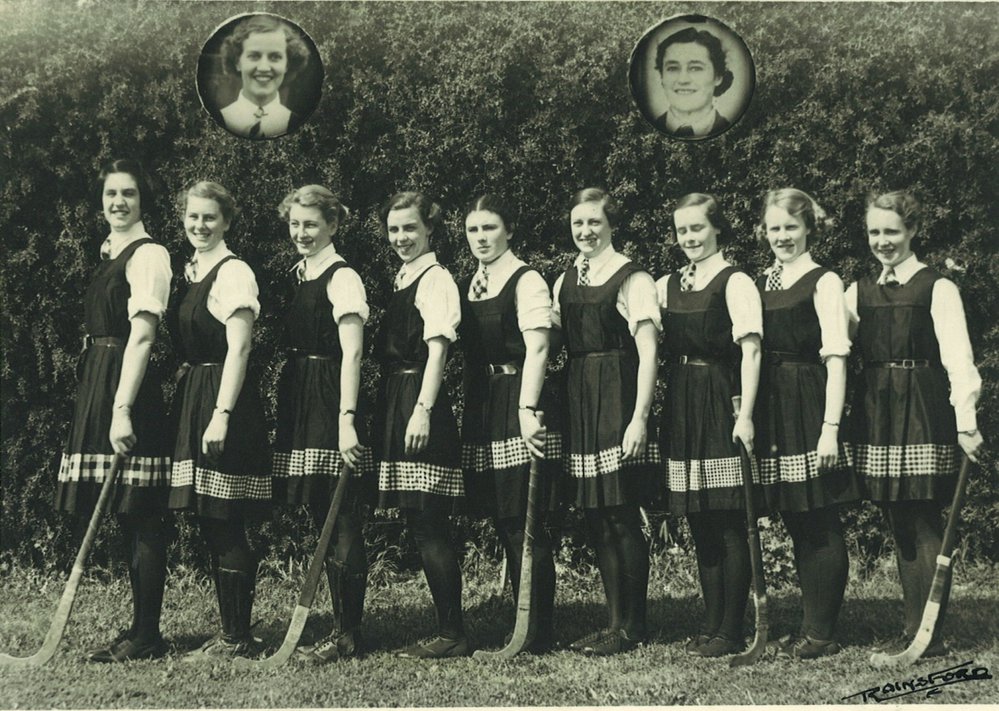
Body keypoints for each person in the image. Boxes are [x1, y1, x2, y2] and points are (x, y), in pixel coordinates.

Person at [845, 190, 983, 657]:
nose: (882, 241)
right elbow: (829, 343)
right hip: (876, 409)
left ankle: (928, 635)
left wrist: (966, 422)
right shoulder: (858, 291)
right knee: (895, 514)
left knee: (921, 516)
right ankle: (913, 627)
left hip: (922, 407)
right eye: (874, 232)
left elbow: (959, 359)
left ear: (913, 231)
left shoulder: (936, 287)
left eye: (892, 231)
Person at [55, 158, 173, 663]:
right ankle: (139, 628)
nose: (119, 202)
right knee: (125, 513)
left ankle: (147, 635)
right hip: (100, 379)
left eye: (129, 193)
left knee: (139, 511)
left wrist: (122, 408)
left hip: (127, 386)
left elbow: (143, 336)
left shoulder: (149, 255)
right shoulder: (112, 251)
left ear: (144, 200)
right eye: (111, 194)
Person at [552, 188, 660, 656]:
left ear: (612, 225)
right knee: (596, 514)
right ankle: (613, 621)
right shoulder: (564, 279)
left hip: (618, 394)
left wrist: (639, 418)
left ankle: (634, 626)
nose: (586, 231)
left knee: (621, 512)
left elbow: (649, 353)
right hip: (580, 398)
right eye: (578, 223)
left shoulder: (632, 277)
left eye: (594, 222)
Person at [754, 188, 859, 659]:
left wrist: (830, 427)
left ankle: (821, 633)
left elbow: (836, 358)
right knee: (796, 516)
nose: (782, 236)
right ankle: (809, 624)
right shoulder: (763, 281)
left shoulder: (825, 280)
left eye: (791, 227)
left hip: (808, 402)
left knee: (818, 516)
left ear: (809, 228)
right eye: (774, 228)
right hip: (773, 406)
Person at [167, 181, 271, 660]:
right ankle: (232, 631)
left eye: (210, 217)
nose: (200, 225)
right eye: (193, 216)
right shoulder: (192, 271)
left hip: (224, 400)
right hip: (197, 395)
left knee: (225, 518)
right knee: (211, 519)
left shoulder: (234, 272)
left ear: (226, 221)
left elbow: (240, 348)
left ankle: (237, 638)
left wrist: (221, 415)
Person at [658, 192, 762, 658]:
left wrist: (746, 415)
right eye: (682, 230)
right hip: (682, 399)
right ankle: (711, 622)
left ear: (717, 228)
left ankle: (731, 629)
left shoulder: (735, 281)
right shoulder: (668, 284)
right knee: (699, 518)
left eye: (697, 228)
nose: (689, 238)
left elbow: (752, 352)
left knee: (726, 518)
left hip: (720, 397)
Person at [271, 185, 372, 663]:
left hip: (331, 396)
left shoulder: (343, 276)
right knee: (321, 513)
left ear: (332, 225)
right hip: (302, 397)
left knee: (341, 514)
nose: (301, 232)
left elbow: (353, 353)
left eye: (310, 224)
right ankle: (339, 625)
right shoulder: (301, 273)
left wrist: (346, 420)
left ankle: (348, 635)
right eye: (295, 224)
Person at [458, 194, 560, 653]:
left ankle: (537, 630)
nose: (481, 238)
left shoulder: (526, 279)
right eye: (473, 229)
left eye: (490, 228)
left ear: (510, 230)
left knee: (524, 519)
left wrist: (526, 408)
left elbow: (538, 347)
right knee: (503, 515)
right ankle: (522, 619)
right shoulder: (470, 284)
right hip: (484, 403)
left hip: (519, 399)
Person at [373, 191, 469, 658]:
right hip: (398, 398)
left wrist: (423, 409)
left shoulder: (436, 279)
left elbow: (438, 351)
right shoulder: (403, 277)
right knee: (418, 522)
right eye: (393, 229)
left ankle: (453, 634)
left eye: (410, 227)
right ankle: (447, 628)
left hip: (418, 401)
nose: (401, 237)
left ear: (430, 228)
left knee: (430, 524)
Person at [215, 14, 310, 138]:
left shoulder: (301, 127)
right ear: (238, 62)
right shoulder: (215, 122)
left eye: (275, 57)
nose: (263, 68)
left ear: (287, 64)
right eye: (254, 56)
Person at [652, 27, 734, 139]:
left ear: (718, 77)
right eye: (673, 68)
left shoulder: (736, 135)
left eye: (695, 68)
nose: (683, 80)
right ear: (662, 77)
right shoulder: (643, 131)